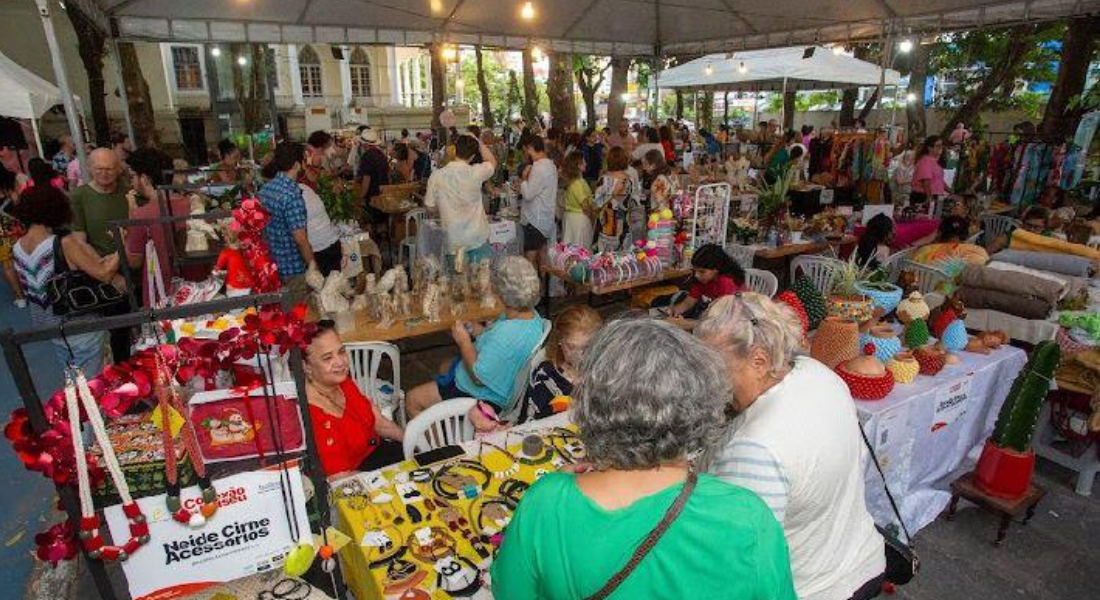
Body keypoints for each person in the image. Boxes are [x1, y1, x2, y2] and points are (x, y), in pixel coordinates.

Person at [491, 318, 796, 600]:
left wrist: (568, 488)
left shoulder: (545, 505)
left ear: (589, 405)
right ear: (702, 405)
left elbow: (511, 591)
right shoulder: (749, 518)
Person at [696, 293, 886, 600]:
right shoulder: (817, 373)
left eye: (714, 367)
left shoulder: (755, 448)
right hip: (860, 557)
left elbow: (740, 557)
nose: (704, 379)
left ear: (759, 361)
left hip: (815, 587)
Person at [404, 256, 547, 419]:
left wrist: (464, 341)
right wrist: (474, 329)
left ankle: (437, 443)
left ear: (501, 293)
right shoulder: (531, 318)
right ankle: (450, 422)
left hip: (485, 396)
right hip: (504, 382)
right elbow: (494, 339)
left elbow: (478, 377)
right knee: (445, 366)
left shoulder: (506, 334)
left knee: (413, 399)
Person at [13, 184, 123, 374]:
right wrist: (122, 245)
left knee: (73, 381)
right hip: (81, 324)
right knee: (96, 383)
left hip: (50, 328)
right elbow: (104, 274)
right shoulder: (63, 243)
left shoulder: (17, 247)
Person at [304, 320, 404, 478]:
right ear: (307, 367)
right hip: (355, 479)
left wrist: (413, 441)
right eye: (327, 358)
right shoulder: (310, 414)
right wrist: (391, 477)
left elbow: (378, 422)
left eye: (341, 351)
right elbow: (337, 477)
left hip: (380, 456)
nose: (340, 362)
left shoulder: (342, 382)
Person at [124, 148, 191, 306]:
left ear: (145, 179)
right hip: (198, 290)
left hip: (163, 295)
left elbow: (134, 261)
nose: (132, 182)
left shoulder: (142, 214)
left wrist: (125, 232)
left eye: (133, 176)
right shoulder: (192, 203)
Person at [514, 305, 602, 425]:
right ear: (559, 340)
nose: (580, 356)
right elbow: (531, 420)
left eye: (587, 347)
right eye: (571, 347)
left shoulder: (605, 370)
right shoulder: (546, 376)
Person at [423, 134, 497, 267]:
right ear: (473, 156)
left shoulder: (436, 176)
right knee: (482, 282)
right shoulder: (476, 172)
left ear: (455, 150)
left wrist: (442, 208)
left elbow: (430, 207)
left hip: (454, 239)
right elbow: (491, 161)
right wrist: (477, 140)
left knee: (459, 285)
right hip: (478, 236)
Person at [258, 142, 315, 303]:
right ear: (297, 164)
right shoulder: (291, 196)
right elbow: (301, 240)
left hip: (272, 264)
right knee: (299, 317)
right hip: (293, 269)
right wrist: (313, 267)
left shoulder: (265, 190)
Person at [670, 243, 745, 320]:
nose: (696, 275)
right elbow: (688, 302)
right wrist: (674, 311)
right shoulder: (701, 280)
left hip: (738, 319)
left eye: (702, 271)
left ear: (716, 269)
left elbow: (721, 319)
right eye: (695, 271)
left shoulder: (726, 282)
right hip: (718, 317)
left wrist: (686, 324)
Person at [517, 135, 558, 267]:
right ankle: (545, 286)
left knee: (530, 260)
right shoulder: (550, 165)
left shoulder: (539, 167)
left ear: (531, 148)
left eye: (526, 150)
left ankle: (532, 286)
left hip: (535, 220)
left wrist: (523, 179)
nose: (526, 154)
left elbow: (528, 194)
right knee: (543, 257)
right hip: (545, 218)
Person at [594, 146, 641, 251]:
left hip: (607, 225)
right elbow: (634, 202)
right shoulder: (629, 179)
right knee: (623, 261)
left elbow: (597, 203)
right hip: (624, 225)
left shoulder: (603, 179)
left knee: (605, 260)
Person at [298, 178, 344, 277]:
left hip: (318, 247)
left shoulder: (292, 195)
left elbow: (300, 239)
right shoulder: (305, 188)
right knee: (334, 284)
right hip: (331, 241)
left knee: (324, 287)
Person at [911, 215, 988, 265]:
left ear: (939, 232)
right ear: (965, 234)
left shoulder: (923, 252)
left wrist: (928, 239)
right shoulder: (977, 252)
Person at [0, 166, 25, 308]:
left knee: (8, 265)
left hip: (1, 232)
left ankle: (20, 297)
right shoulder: (10, 178)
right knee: (24, 258)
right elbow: (17, 199)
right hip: (17, 226)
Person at [560, 152, 594, 250]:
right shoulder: (578, 183)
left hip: (572, 219)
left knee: (572, 249)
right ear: (578, 166)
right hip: (579, 220)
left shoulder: (573, 181)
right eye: (583, 162)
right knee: (580, 250)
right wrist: (592, 217)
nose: (586, 164)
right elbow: (585, 206)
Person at [355, 127, 390, 225]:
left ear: (365, 144)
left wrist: (361, 196)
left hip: (372, 195)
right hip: (383, 193)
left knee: (371, 222)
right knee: (382, 222)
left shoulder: (366, 157)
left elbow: (367, 179)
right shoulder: (381, 155)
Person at [911, 135, 946, 210]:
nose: (941, 148)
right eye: (938, 146)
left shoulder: (935, 161)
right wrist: (929, 198)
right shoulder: (925, 161)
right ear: (930, 148)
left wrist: (951, 191)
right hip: (924, 196)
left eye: (941, 145)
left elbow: (939, 180)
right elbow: (925, 181)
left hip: (934, 195)